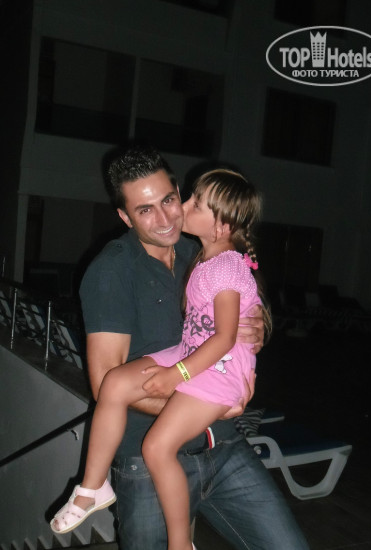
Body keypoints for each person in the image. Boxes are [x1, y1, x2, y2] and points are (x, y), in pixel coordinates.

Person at [57, 145, 309, 550]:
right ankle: (94, 487)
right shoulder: (112, 271)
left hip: (224, 446)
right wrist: (204, 410)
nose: (165, 218)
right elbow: (106, 383)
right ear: (125, 217)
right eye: (145, 210)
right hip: (146, 457)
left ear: (179, 193)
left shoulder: (201, 251)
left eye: (169, 200)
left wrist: (257, 330)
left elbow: (235, 318)